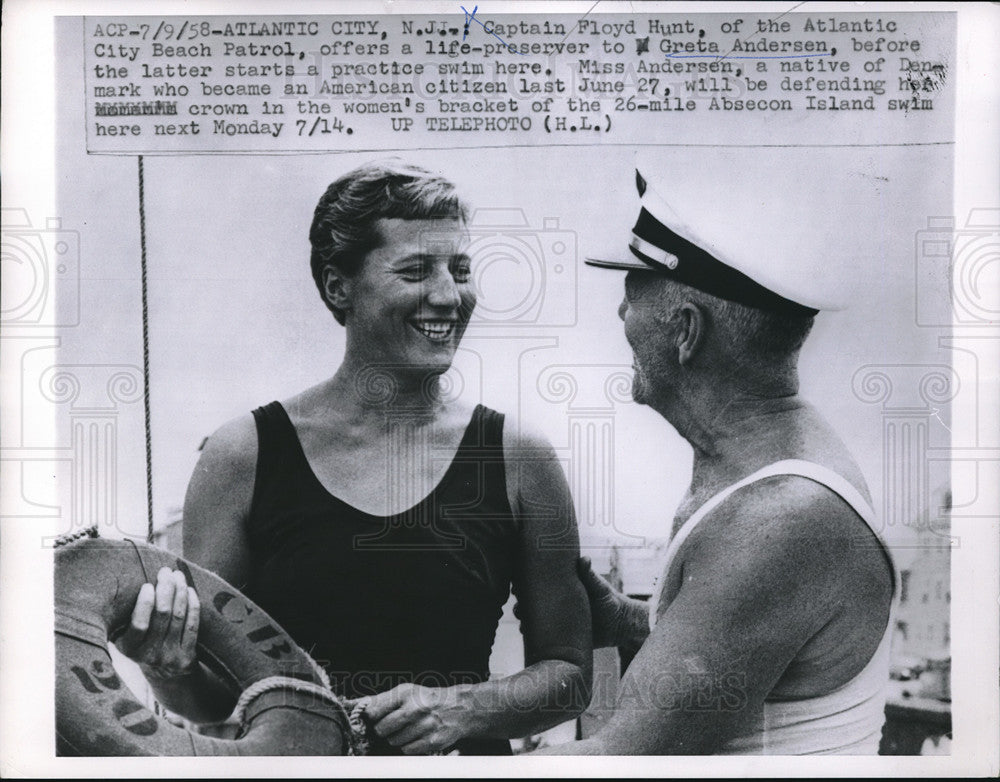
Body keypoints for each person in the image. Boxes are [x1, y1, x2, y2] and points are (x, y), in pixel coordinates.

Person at [114, 159, 592, 755]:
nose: (449, 295)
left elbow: (570, 675)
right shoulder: (243, 456)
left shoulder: (518, 457)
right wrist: (166, 667)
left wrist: (459, 708)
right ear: (339, 286)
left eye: (461, 269)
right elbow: (212, 697)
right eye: (416, 270)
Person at [534, 164, 897, 755]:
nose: (620, 317)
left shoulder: (781, 521)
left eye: (631, 298)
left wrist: (447, 728)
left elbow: (620, 762)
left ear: (685, 332)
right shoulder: (766, 464)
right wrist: (618, 616)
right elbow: (731, 640)